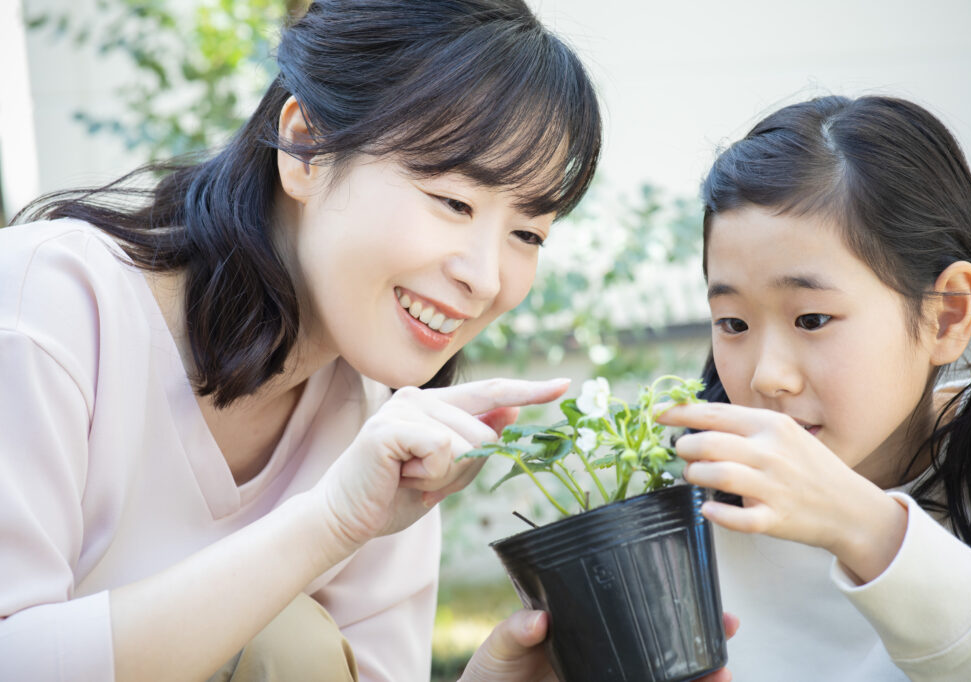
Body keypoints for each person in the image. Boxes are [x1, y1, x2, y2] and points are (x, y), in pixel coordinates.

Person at [0, 1, 602, 680]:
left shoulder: (381, 432)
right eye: (453, 202)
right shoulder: (46, 306)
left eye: (528, 234)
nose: (485, 278)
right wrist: (331, 522)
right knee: (284, 638)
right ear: (306, 149)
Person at [653, 95, 971, 679]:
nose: (765, 376)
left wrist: (863, 527)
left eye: (812, 320)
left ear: (948, 314)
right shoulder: (673, 514)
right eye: (734, 324)